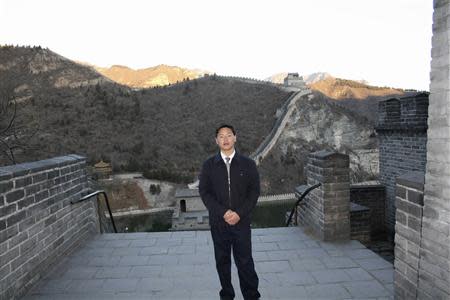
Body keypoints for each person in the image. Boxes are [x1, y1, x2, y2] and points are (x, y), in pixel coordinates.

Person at [199, 124, 261, 300]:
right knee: (222, 262)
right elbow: (204, 192)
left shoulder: (248, 164)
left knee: (245, 262)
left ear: (235, 137)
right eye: (221, 136)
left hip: (241, 223)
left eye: (228, 135)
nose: (225, 139)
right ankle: (227, 295)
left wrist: (239, 213)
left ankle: (251, 296)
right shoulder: (209, 165)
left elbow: (254, 192)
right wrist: (223, 213)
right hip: (219, 223)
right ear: (216, 140)